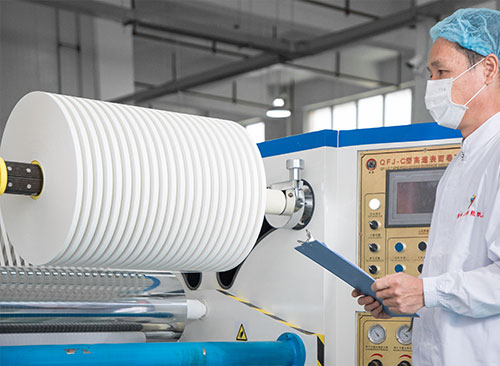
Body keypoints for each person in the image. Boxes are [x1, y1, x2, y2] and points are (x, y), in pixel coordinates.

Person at [352, 8, 500, 365]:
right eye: (430, 73)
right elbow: (452, 283)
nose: (432, 85)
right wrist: (404, 300)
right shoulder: (461, 163)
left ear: (489, 69)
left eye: (442, 72)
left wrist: (427, 291)